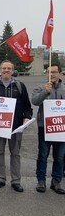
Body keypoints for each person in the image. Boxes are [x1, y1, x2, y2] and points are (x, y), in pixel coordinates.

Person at [0, 60, 32, 192]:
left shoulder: (19, 86)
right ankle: (0, 178)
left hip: (15, 127)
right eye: (4, 68)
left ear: (12, 70)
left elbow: (27, 106)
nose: (6, 70)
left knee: (15, 154)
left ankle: (16, 180)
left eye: (9, 68)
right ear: (0, 70)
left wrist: (26, 118)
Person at [31, 64, 65, 194]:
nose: (52, 74)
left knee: (60, 157)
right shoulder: (40, 88)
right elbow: (35, 102)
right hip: (44, 127)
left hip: (61, 129)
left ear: (60, 74)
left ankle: (56, 182)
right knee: (43, 155)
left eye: (55, 72)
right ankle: (41, 181)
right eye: (49, 72)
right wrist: (45, 92)